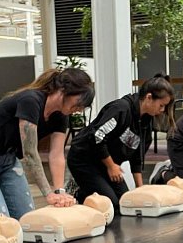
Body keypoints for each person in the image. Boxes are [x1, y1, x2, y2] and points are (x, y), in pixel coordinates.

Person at [0, 67, 94, 221]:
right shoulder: (31, 100)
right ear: (64, 90)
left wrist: (59, 191)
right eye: (79, 102)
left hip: (8, 159)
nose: (79, 109)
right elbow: (30, 153)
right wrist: (48, 193)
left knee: (26, 220)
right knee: (1, 222)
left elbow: (56, 154)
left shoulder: (61, 115)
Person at [66, 75, 174, 211]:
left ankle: (90, 187)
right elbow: (98, 136)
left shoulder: (146, 122)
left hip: (106, 164)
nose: (162, 110)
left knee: (125, 202)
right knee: (111, 204)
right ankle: (78, 192)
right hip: (84, 159)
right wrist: (111, 166)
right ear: (149, 97)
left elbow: (137, 157)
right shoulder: (121, 109)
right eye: (161, 105)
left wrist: (140, 190)